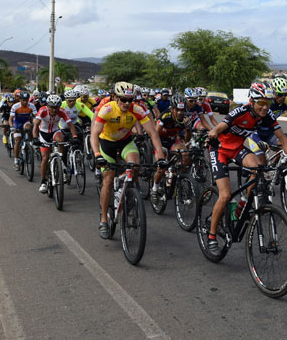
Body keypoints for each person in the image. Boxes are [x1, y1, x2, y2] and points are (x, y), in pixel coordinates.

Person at [204, 82, 287, 258]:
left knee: (259, 169)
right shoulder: (241, 111)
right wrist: (213, 133)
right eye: (261, 103)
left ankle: (242, 206)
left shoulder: (267, 115)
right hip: (220, 150)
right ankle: (211, 237)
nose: (264, 107)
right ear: (251, 100)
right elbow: (221, 126)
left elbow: (282, 138)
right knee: (225, 195)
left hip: (237, 148)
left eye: (267, 103)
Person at [90, 81, 166, 239]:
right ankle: (104, 219)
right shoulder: (108, 109)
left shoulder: (137, 109)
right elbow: (94, 134)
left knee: (135, 166)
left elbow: (152, 133)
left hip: (125, 142)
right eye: (123, 99)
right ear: (116, 98)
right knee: (108, 179)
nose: (126, 103)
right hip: (107, 144)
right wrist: (97, 154)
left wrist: (160, 156)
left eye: (129, 100)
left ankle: (129, 192)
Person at [32, 94, 79, 193]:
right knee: (45, 157)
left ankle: (62, 164)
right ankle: (43, 181)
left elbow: (71, 124)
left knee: (62, 141)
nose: (54, 110)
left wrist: (75, 137)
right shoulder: (43, 110)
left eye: (57, 107)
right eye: (52, 107)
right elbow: (36, 125)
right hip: (43, 134)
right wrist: (35, 138)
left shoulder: (62, 111)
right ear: (48, 106)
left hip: (55, 131)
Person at [151, 94, 192, 204]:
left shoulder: (185, 118)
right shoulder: (165, 115)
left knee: (185, 154)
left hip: (173, 140)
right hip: (160, 140)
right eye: (177, 110)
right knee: (162, 165)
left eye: (182, 110)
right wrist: (159, 150)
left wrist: (188, 129)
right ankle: (155, 188)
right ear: (172, 108)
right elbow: (155, 133)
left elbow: (187, 140)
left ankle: (180, 178)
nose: (180, 112)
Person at [9, 92, 37, 171]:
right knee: (18, 140)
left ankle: (30, 143)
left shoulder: (31, 105)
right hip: (17, 123)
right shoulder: (15, 106)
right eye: (23, 100)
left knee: (29, 128)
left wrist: (36, 124)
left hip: (26, 122)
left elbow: (36, 117)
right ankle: (16, 161)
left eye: (26, 100)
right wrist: (12, 127)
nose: (25, 102)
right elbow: (11, 119)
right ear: (20, 100)